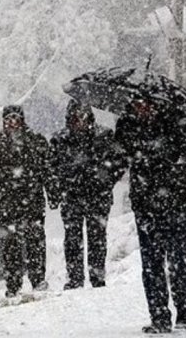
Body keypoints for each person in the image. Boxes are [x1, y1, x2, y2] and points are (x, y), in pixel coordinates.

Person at [115, 98, 186, 334]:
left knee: (178, 260)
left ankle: (184, 312)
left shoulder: (179, 123)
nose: (142, 108)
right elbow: (117, 161)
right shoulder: (128, 126)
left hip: (177, 203)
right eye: (137, 104)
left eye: (145, 104)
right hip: (146, 206)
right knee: (151, 264)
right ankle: (159, 316)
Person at [0, 105, 52, 297]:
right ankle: (13, 283)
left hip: (32, 201)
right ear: (3, 120)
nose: (12, 122)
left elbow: (48, 171)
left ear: (22, 119)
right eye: (8, 118)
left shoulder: (36, 142)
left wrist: (53, 193)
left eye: (16, 118)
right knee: (11, 246)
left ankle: (38, 279)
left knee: (35, 242)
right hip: (5, 203)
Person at [49, 100, 125, 290]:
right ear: (70, 118)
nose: (79, 121)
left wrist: (106, 181)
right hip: (72, 197)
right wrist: (60, 187)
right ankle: (75, 278)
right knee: (72, 238)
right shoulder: (59, 140)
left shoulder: (105, 136)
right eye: (76, 117)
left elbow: (120, 162)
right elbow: (51, 168)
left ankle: (97, 276)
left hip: (98, 196)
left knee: (97, 237)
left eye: (82, 116)